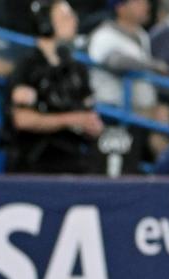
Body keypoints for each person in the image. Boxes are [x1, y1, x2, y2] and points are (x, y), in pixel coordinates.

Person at [8, 0, 103, 174]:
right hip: (34, 160)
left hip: (73, 160)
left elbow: (90, 116)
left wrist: (92, 124)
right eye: (66, 17)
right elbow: (22, 119)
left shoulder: (77, 69)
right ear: (46, 24)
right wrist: (71, 119)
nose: (74, 21)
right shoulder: (27, 66)